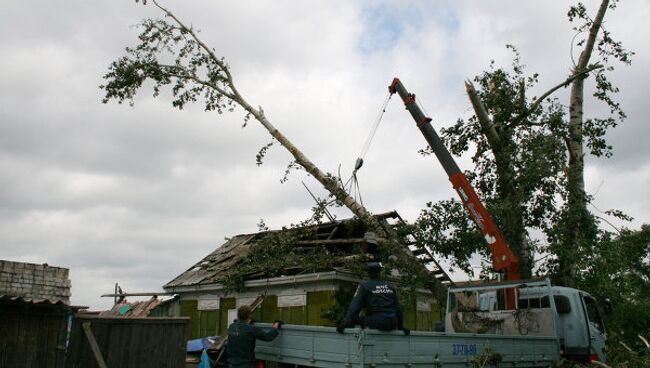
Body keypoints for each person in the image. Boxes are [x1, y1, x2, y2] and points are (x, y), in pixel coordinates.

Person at [337, 262, 410, 335]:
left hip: (378, 321)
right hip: (392, 322)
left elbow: (354, 307)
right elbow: (398, 309)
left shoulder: (365, 286)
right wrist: (401, 327)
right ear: (380, 272)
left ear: (368, 273)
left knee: (354, 319)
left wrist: (345, 324)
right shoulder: (390, 287)